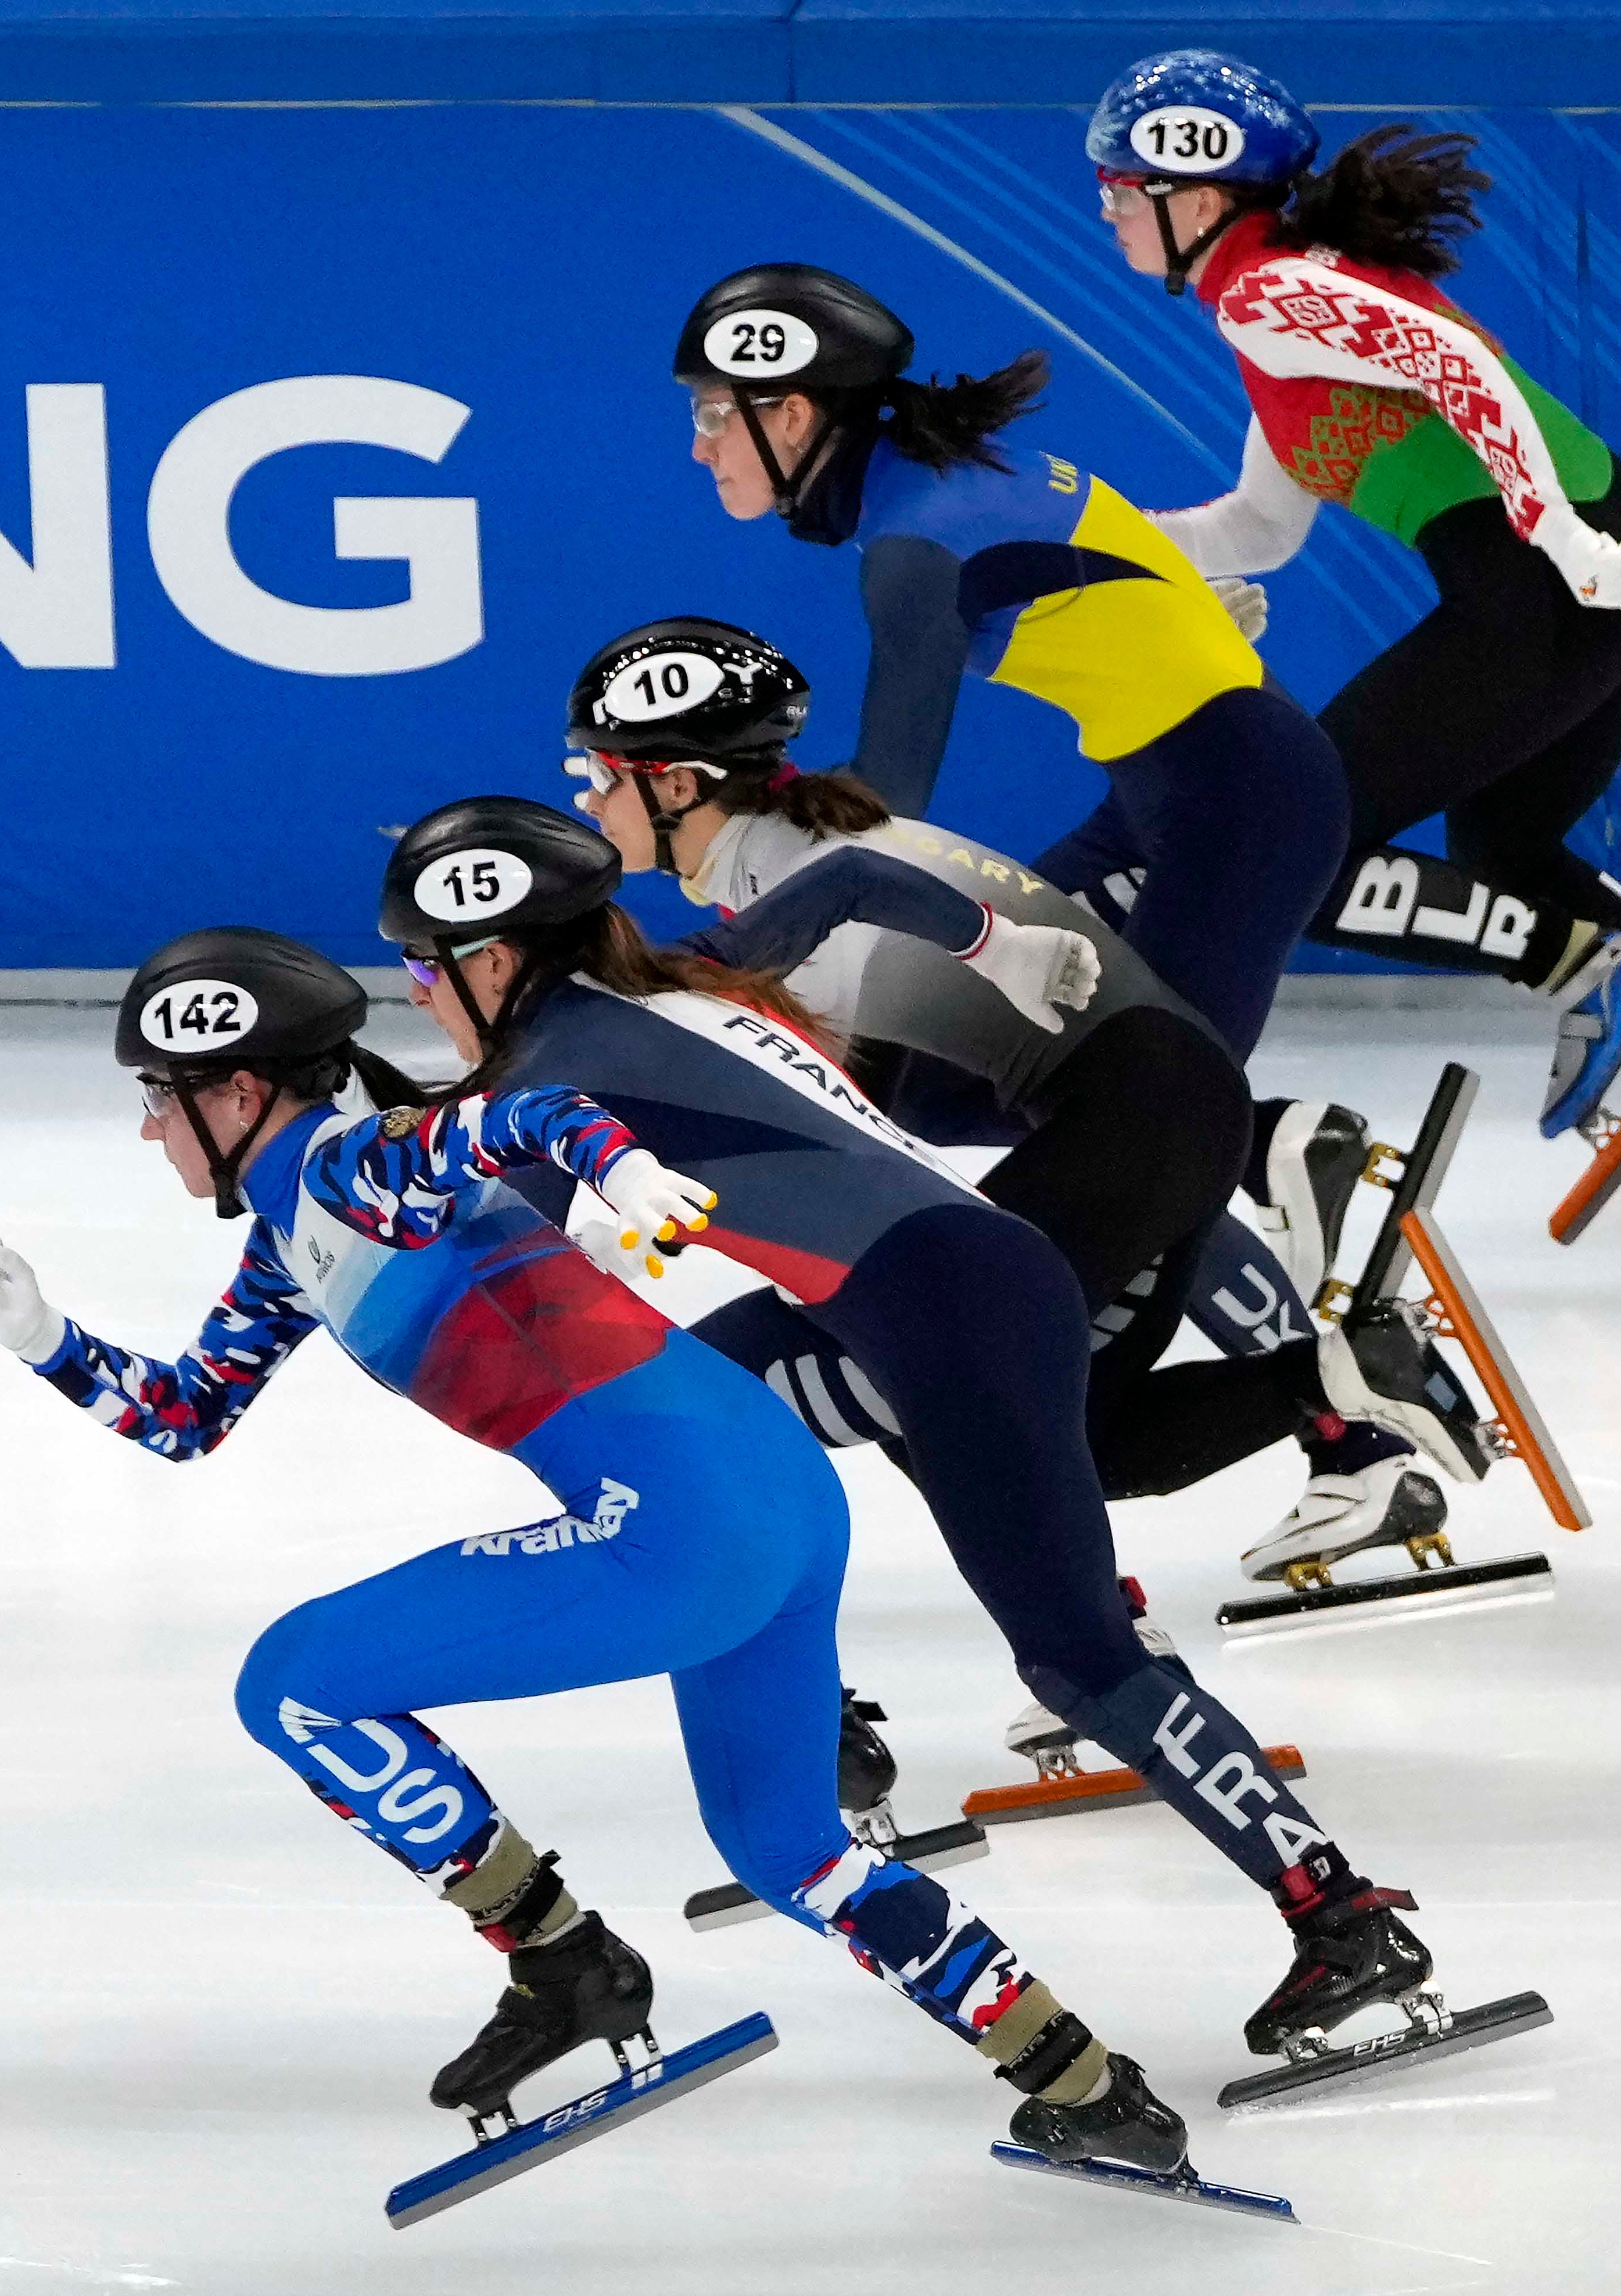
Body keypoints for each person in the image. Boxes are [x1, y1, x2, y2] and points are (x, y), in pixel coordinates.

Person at [0, 927, 1194, 2172]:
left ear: (238, 1088)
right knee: (789, 1847)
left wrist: (625, 1167)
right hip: (780, 1492)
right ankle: (1082, 2076)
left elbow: (521, 1115)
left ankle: (562, 1958)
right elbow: (186, 1416)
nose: (149, 1128)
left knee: (293, 1682)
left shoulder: (358, 1169)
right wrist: (44, 1335)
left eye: (159, 1098)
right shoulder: (290, 1243)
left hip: (681, 1527)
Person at [377, 797, 1487, 2065]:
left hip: (951, 1316)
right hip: (950, 1280)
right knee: (721, 1395)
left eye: (424, 966)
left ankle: (1340, 1913)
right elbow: (860, 878)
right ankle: (821, 1728)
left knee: (1082, 1663)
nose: (417, 994)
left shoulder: (550, 1069)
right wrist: (996, 947)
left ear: (498, 957)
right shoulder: (688, 975)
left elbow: (470, 1258)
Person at [560, 614, 1469, 1582]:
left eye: (605, 774)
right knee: (1090, 1435)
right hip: (1165, 1118)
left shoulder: (801, 876)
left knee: (925, 1379)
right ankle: (1351, 1370)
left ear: (680, 784)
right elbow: (881, 1105)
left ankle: (1100, 1646)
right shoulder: (813, 844)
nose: (588, 798)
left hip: (1137, 1126)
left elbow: (828, 1134)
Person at [1081, 48, 1621, 1172]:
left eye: (1123, 191)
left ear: (1201, 199)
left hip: (1559, 573)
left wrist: (1556, 530)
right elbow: (1260, 529)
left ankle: (1596, 978)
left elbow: (1455, 358)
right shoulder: (1283, 309)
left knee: (1290, 838)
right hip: (1611, 563)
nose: (1108, 212)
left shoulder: (1273, 295)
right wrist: (1083, 531)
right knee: (1503, 847)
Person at [669, 260, 1349, 1063]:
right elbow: (1110, 552)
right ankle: (1278, 1151)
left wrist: (716, 820)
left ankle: (1288, 1145)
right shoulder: (934, 486)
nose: (698, 448)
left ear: (793, 417)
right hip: (1171, 789)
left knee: (1159, 1098)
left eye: (714, 414)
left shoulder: (913, 546)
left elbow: (887, 797)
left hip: (1245, 803)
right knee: (945, 1057)